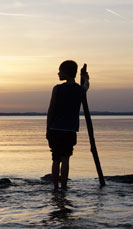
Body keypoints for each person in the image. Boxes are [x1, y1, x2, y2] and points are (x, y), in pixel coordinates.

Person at [46, 60, 89, 190]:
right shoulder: (79, 90)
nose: (58, 73)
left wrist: (47, 128)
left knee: (55, 159)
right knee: (65, 159)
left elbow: (51, 109)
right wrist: (86, 79)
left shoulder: (57, 89)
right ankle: (63, 187)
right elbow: (86, 86)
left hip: (55, 129)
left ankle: (55, 188)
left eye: (60, 71)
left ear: (66, 73)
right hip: (69, 130)